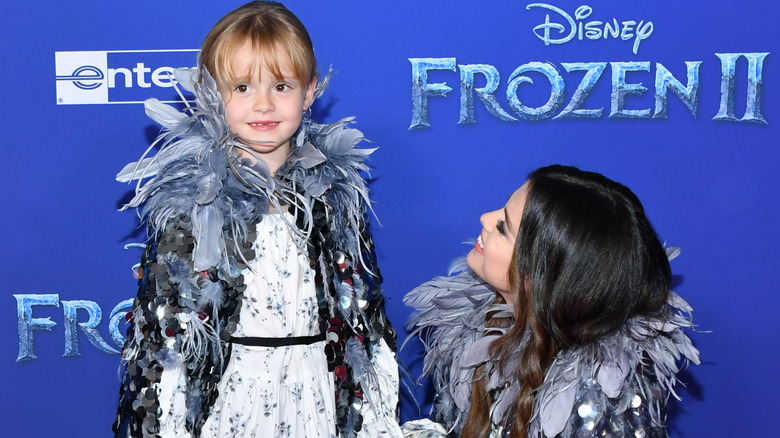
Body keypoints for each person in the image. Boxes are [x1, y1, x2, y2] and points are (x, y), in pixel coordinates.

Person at [112, 2, 401, 437]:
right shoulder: (193, 205)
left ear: (310, 92)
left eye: (281, 86)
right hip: (230, 401)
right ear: (209, 95)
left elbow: (362, 317)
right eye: (242, 87)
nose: (263, 103)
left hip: (314, 397)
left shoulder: (332, 200)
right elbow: (165, 338)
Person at [404, 165, 700, 438]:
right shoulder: (475, 328)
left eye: (504, 228)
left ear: (539, 277)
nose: (485, 218)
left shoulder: (593, 398)